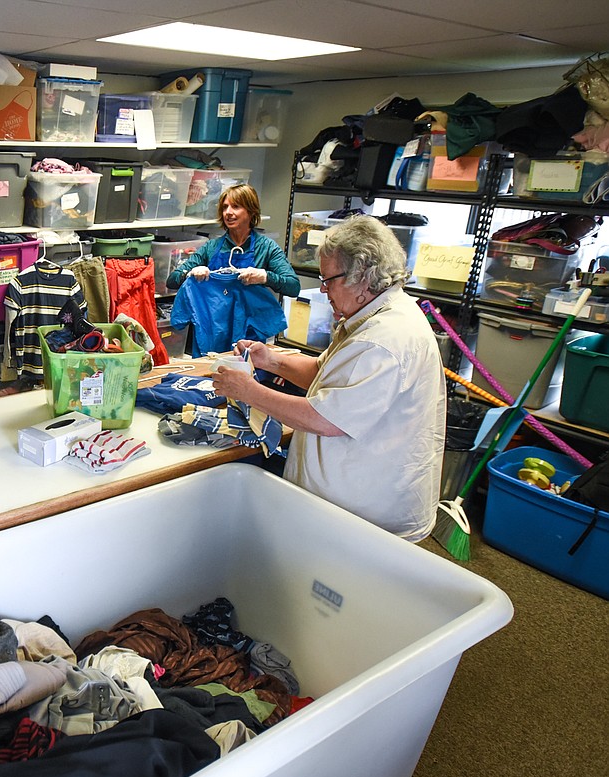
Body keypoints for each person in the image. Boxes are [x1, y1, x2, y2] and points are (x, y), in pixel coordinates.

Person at [210, 215, 446, 542]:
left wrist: (249, 391)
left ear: (361, 276)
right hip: (352, 503)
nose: (323, 290)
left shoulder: (381, 340)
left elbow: (325, 418)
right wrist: (272, 360)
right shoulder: (370, 316)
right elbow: (326, 374)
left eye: (328, 279)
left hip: (370, 518)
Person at [166, 183, 299, 298]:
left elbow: (293, 287)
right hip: (214, 322)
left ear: (251, 212)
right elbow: (172, 281)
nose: (228, 212)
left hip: (249, 322)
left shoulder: (266, 248)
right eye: (224, 207)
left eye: (235, 206)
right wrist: (190, 273)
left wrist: (265, 277)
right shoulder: (212, 247)